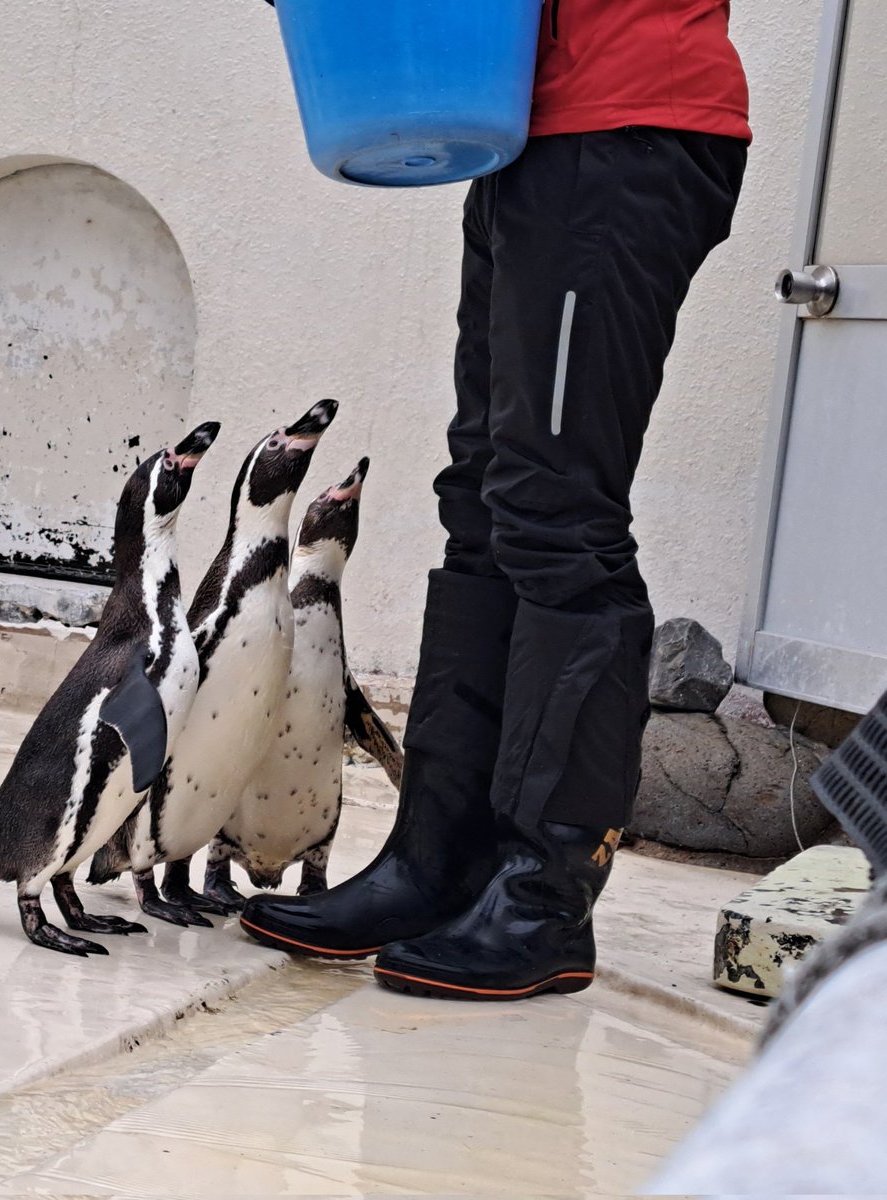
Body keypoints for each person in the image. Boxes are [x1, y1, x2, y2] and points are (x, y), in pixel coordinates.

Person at [242, 0, 751, 1001]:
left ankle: (543, 894)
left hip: (625, 127)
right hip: (528, 136)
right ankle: (437, 861)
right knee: (484, 500)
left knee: (556, 510)